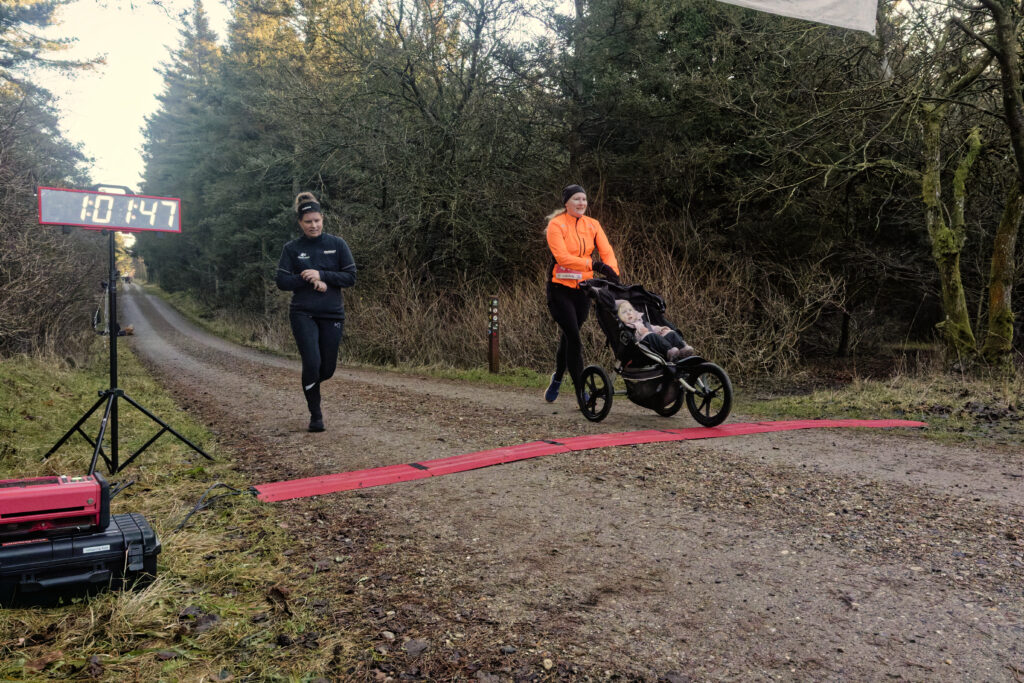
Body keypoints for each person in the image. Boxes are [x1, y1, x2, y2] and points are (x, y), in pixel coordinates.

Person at [276, 191, 356, 432]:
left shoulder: (337, 244)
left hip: (332, 314)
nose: (313, 225)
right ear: (300, 223)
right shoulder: (292, 248)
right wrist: (307, 278)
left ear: (323, 219)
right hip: (303, 314)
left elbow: (350, 277)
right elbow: (282, 281)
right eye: (308, 221)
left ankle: (309, 383)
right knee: (312, 363)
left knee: (326, 369)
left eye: (317, 220)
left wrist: (322, 275)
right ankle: (316, 416)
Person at [544, 184, 620, 406]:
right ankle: (581, 394)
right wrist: (593, 265)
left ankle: (558, 377)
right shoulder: (556, 225)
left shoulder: (593, 225)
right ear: (566, 203)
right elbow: (562, 257)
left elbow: (607, 252)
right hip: (559, 290)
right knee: (575, 340)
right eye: (576, 199)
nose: (581, 203)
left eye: (584, 199)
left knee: (570, 337)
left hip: (583, 291)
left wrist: (613, 273)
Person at [615, 300, 695, 361]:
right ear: (619, 316)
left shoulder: (640, 320)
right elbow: (631, 338)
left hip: (652, 336)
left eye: (630, 310)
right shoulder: (627, 327)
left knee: (670, 333)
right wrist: (639, 332)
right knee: (652, 336)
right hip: (643, 343)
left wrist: (660, 329)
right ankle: (669, 351)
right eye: (624, 312)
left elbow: (651, 327)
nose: (629, 313)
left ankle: (683, 348)